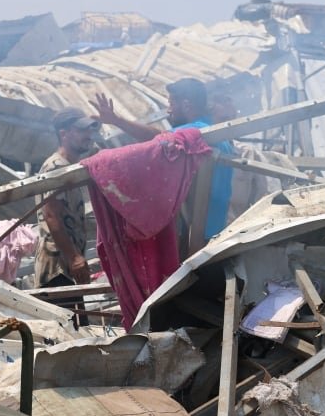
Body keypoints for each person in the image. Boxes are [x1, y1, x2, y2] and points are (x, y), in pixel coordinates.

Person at [91, 78, 234, 246]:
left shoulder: (196, 132)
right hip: (217, 228)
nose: (168, 110)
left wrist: (117, 120)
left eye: (172, 104)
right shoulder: (217, 133)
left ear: (186, 105)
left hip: (198, 234)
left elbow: (158, 138)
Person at [34, 107, 99, 323]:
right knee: (67, 332)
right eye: (81, 131)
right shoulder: (55, 167)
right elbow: (52, 216)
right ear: (64, 134)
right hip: (57, 268)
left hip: (67, 268)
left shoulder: (70, 167)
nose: (88, 136)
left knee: (78, 329)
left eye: (90, 130)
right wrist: (74, 257)